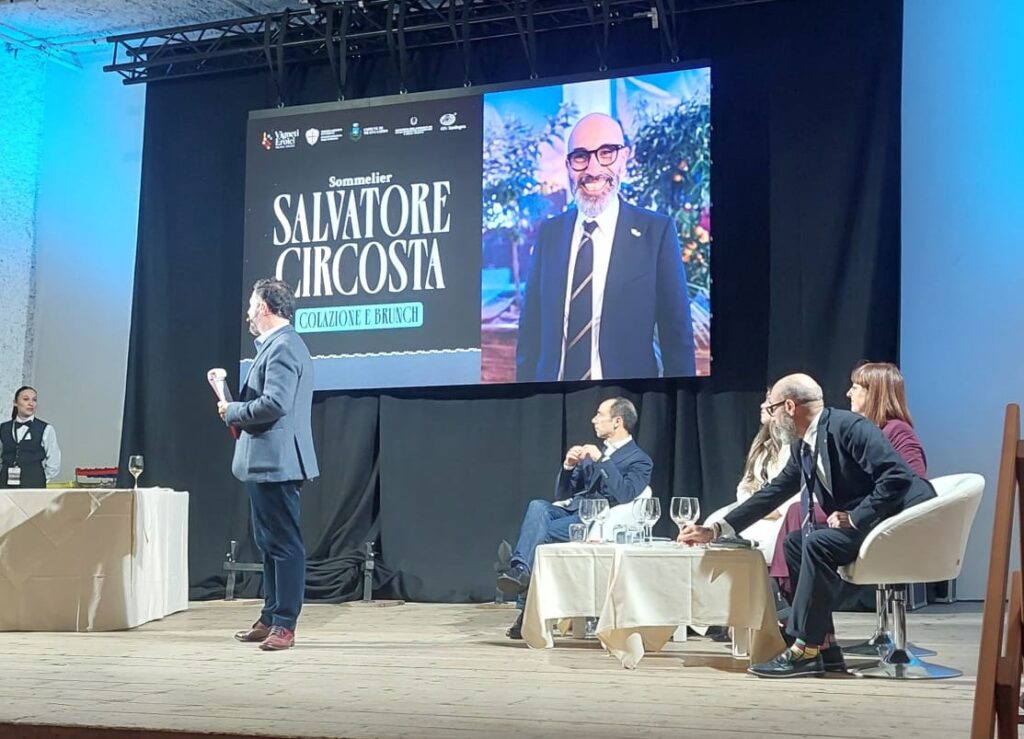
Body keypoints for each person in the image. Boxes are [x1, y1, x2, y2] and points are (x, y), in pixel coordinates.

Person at [680, 373, 936, 678]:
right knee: (797, 541)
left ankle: (804, 649)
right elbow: (772, 493)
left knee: (816, 541)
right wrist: (716, 529)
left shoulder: (849, 427)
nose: (771, 417)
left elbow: (897, 477)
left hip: (896, 522)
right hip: (875, 524)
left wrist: (855, 516)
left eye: (772, 408)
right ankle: (825, 647)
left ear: (789, 407)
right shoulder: (805, 444)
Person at [515, 112, 696, 382]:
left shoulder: (656, 233)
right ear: (568, 166)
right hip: (553, 399)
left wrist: (678, 401)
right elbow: (530, 331)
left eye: (606, 153)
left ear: (624, 159)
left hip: (627, 401)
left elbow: (677, 337)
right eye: (581, 157)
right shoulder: (549, 234)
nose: (593, 169)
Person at [218, 278, 319, 652]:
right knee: (269, 543)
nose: (247, 314)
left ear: (263, 308)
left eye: (251, 306)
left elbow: (275, 402)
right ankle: (271, 615)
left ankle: (285, 623)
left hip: (278, 461)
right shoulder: (277, 346)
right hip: (264, 462)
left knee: (284, 544)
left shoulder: (284, 346)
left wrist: (234, 410)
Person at [498, 397, 652, 638]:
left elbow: (625, 494)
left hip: (597, 520)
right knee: (537, 506)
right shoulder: (592, 454)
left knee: (537, 537)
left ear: (617, 421)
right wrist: (568, 466)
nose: (593, 420)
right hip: (573, 510)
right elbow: (563, 495)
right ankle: (520, 571)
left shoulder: (639, 460)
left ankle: (524, 597)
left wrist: (603, 461)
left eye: (599, 414)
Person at [847, 362, 927, 477]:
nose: (848, 394)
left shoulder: (898, 432)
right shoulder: (865, 432)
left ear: (873, 392)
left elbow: (916, 482)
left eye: (855, 388)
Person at [0, 386, 61, 489]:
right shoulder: (3, 428)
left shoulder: (46, 429)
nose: (31, 403)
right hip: (5, 485)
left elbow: (54, 460)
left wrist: (41, 478)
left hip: (34, 485)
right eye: (26, 399)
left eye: (34, 400)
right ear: (15, 403)